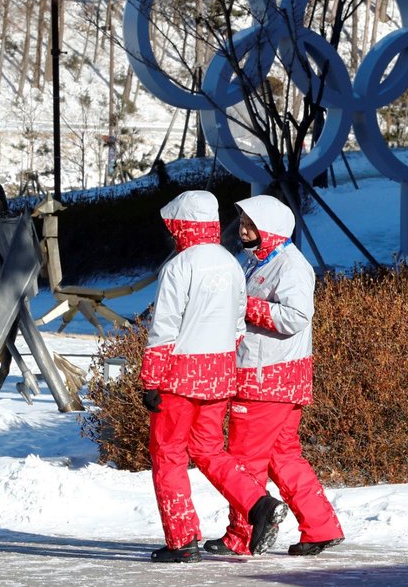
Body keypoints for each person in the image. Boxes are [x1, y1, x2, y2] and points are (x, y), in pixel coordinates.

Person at [140, 190, 288, 563]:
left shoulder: (178, 266)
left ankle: (182, 539)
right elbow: (239, 324)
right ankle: (257, 502)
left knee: (168, 453)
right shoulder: (230, 263)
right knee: (208, 449)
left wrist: (151, 379)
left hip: (177, 377)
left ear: (181, 226)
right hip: (220, 374)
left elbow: (165, 327)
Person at [204, 194, 344, 557]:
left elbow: (296, 317)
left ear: (271, 229)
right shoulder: (259, 262)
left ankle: (243, 535)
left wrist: (245, 306)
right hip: (278, 376)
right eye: (243, 223)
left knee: (243, 458)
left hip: (267, 377)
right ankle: (320, 526)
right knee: (283, 456)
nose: (244, 230)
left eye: (252, 224)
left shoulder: (290, 266)